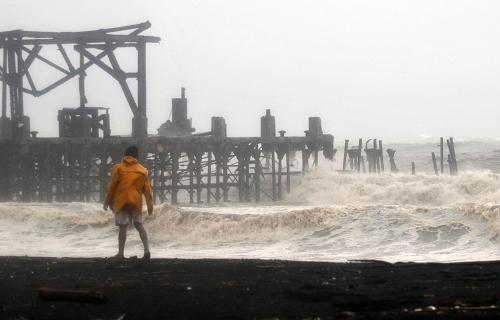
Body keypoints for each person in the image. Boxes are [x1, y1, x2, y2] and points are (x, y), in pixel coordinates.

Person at [103, 146, 154, 259]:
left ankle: (120, 254)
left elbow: (112, 187)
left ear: (125, 155)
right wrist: (150, 207)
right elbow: (148, 191)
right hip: (136, 202)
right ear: (137, 156)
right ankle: (146, 250)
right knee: (139, 225)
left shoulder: (118, 168)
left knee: (123, 227)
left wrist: (107, 202)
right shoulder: (143, 170)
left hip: (122, 201)